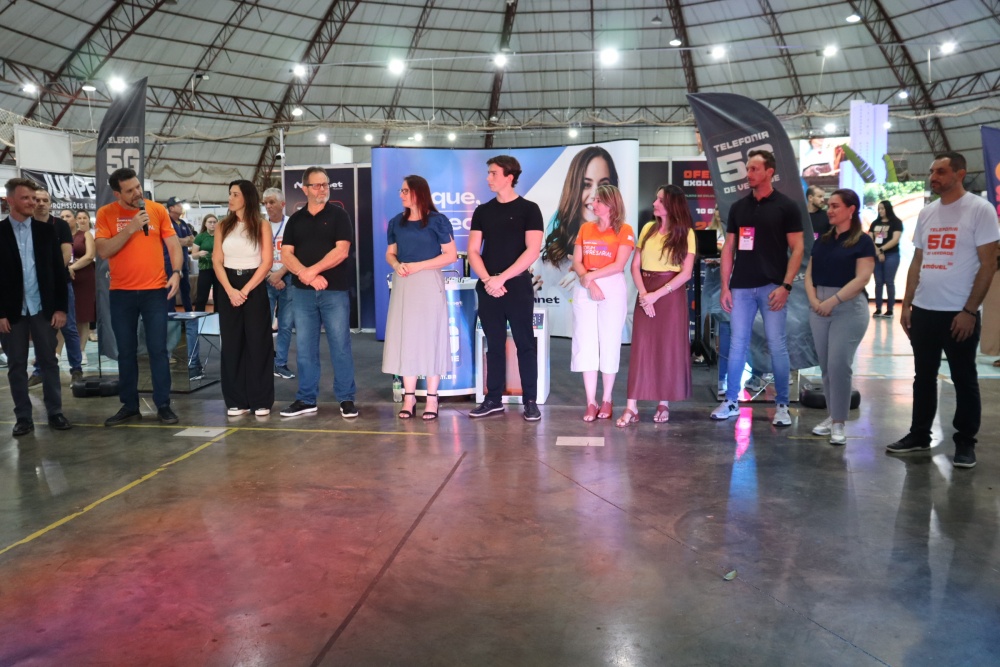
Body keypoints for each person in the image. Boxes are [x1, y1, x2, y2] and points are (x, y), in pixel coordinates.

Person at [886, 152, 1000, 469]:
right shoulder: (927, 213)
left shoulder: (980, 210)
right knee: (923, 376)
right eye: (932, 171)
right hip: (924, 310)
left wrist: (969, 311)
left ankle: (965, 442)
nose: (933, 177)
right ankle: (919, 434)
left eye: (941, 171)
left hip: (958, 312)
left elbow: (988, 264)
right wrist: (908, 304)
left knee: (964, 377)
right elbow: (917, 261)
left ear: (960, 174)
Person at [711, 149, 804, 426]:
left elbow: (798, 248)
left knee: (777, 345)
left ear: (769, 172)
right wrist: (725, 287)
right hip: (741, 287)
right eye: (748, 169)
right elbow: (729, 247)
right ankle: (731, 401)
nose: (748, 174)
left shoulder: (786, 206)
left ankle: (782, 405)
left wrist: (786, 285)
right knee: (737, 344)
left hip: (773, 287)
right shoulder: (739, 207)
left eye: (754, 169)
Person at [95, 167, 182, 426]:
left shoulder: (156, 210)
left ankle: (163, 405)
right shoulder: (106, 214)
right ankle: (130, 406)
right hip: (121, 293)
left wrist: (177, 272)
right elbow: (103, 250)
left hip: (154, 291)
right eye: (130, 190)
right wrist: (131, 227)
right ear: (117, 193)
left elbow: (173, 244)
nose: (137, 193)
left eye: (137, 187)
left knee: (158, 349)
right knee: (126, 351)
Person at [467, 155, 545, 421]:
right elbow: (473, 251)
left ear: (509, 177)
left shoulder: (529, 209)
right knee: (494, 345)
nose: (488, 178)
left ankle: (530, 401)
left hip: (517, 286)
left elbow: (532, 250)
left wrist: (501, 279)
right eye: (488, 173)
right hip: (489, 287)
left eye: (493, 173)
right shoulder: (483, 211)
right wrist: (489, 280)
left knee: (525, 343)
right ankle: (493, 399)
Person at [279, 167, 359, 419]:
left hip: (334, 291)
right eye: (317, 185)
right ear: (305, 189)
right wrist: (306, 276)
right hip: (302, 293)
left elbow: (341, 251)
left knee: (340, 346)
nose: (323, 189)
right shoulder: (295, 220)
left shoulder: (339, 215)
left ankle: (346, 398)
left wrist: (310, 272)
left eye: (325, 184)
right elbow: (286, 254)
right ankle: (306, 399)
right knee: (304, 348)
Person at [617, 184, 695, 426]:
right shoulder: (648, 229)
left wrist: (656, 295)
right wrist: (644, 295)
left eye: (660, 200)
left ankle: (664, 402)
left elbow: (686, 273)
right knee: (641, 348)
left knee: (667, 347)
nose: (654, 203)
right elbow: (635, 265)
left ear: (671, 204)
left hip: (670, 295)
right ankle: (631, 406)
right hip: (646, 291)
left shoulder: (686, 233)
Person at [382, 175, 458, 420]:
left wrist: (419, 265)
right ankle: (409, 397)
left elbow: (451, 255)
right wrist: (397, 265)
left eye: (405, 190)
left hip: (428, 282)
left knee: (431, 337)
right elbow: (390, 253)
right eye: (401, 190)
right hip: (404, 282)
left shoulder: (437, 221)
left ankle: (432, 398)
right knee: (406, 338)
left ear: (418, 192)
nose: (401, 194)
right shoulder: (396, 222)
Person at [804, 189, 876, 445]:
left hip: (847, 308)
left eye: (835, 206)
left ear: (851, 209)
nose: (829, 210)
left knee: (838, 365)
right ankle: (832, 415)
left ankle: (839, 422)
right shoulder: (823, 240)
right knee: (826, 366)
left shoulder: (863, 241)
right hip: (819, 307)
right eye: (829, 205)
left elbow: (862, 278)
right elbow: (809, 274)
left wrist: (832, 301)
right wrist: (814, 301)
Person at [0, 178, 71, 435]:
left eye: (34, 198)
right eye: (26, 198)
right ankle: (23, 418)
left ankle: (55, 412)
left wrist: (61, 308)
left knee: (49, 361)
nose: (32, 202)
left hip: (43, 309)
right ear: (10, 201)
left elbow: (58, 272)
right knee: (16, 365)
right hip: (12, 313)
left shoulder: (46, 232)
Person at [533, 146, 619, 336]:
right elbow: (542, 311)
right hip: (563, 339)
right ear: (573, 189)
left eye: (604, 185)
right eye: (586, 185)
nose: (595, 195)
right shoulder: (550, 255)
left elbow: (626, 317)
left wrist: (588, 277)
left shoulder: (622, 235)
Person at [568, 184, 634, 421]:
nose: (593, 204)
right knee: (585, 342)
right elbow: (577, 261)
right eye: (594, 200)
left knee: (609, 341)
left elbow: (619, 265)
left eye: (599, 201)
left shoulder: (625, 230)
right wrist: (588, 281)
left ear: (611, 204)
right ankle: (591, 401)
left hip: (611, 284)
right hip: (585, 284)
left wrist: (591, 277)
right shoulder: (585, 228)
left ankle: (606, 398)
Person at [213, 180, 275, 417]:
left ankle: (261, 400)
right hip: (228, 286)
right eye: (229, 194)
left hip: (254, 285)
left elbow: (267, 262)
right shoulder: (222, 225)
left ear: (247, 197)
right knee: (231, 343)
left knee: (258, 343)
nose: (230, 198)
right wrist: (230, 290)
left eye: (235, 194)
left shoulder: (262, 225)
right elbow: (217, 260)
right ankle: (236, 400)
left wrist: (246, 290)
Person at [29, 189, 83, 385]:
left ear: (50, 203)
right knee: (41, 330)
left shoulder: (60, 225)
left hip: (60, 284)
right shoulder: (26, 225)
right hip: (34, 287)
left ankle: (76, 369)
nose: (41, 203)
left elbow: (66, 253)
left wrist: (51, 276)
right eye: (37, 200)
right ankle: (39, 370)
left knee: (69, 327)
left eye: (45, 200)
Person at [262, 187, 296, 380]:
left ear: (282, 204)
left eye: (272, 202)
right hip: (265, 278)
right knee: (263, 324)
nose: (268, 206)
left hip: (287, 278)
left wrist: (280, 274)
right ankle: (265, 362)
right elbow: (255, 253)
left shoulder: (292, 224)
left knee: (285, 325)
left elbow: (297, 253)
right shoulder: (260, 225)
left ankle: (280, 363)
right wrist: (270, 276)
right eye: (265, 203)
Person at [69, 211, 97, 366]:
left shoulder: (86, 235)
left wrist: (71, 267)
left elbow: (90, 255)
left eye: (83, 218)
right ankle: (57, 352)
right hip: (65, 277)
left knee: (83, 314)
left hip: (84, 277)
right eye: (78, 217)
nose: (81, 220)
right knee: (64, 313)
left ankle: (81, 350)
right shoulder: (61, 235)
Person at [868, 199, 904, 318]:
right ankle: (878, 308)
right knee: (878, 282)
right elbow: (870, 238)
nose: (880, 211)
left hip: (891, 255)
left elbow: (895, 240)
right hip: (877, 255)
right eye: (879, 209)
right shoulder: (875, 223)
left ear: (888, 209)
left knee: (889, 282)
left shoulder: (896, 222)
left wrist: (881, 250)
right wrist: (877, 252)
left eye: (882, 208)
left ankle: (890, 310)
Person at [191, 214, 218, 311]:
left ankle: (218, 317)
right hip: (205, 269)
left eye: (214, 222)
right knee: (202, 297)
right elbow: (193, 255)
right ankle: (199, 317)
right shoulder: (200, 237)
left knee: (218, 297)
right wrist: (199, 253)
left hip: (219, 269)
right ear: (205, 224)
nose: (212, 224)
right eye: (210, 222)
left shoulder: (220, 236)